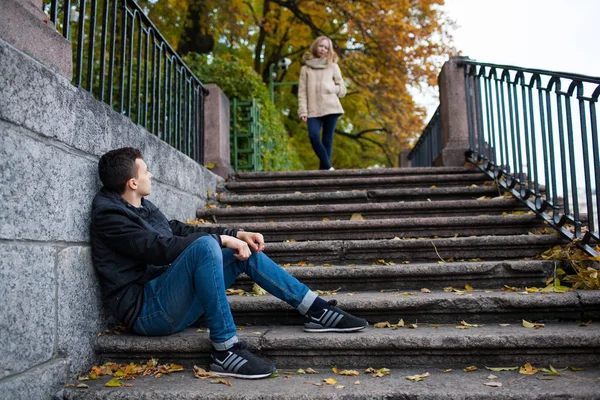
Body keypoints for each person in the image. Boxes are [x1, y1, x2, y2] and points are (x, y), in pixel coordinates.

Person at [90, 147, 368, 380]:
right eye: (145, 170)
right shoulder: (109, 216)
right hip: (148, 312)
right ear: (133, 183)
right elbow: (158, 249)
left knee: (244, 252)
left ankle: (314, 308)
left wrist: (236, 234)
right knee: (205, 246)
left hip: (171, 298)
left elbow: (178, 230)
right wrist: (221, 239)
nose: (151, 174)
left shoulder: (142, 206)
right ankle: (224, 350)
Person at [298, 36, 346, 170]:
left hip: (331, 108)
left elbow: (342, 90)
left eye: (326, 47)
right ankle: (329, 168)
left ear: (329, 51)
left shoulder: (333, 67)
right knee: (313, 136)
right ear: (315, 46)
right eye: (321, 46)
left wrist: (332, 88)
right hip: (313, 110)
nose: (323, 49)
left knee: (327, 141)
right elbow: (302, 92)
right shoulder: (305, 69)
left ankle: (323, 173)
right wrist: (303, 111)